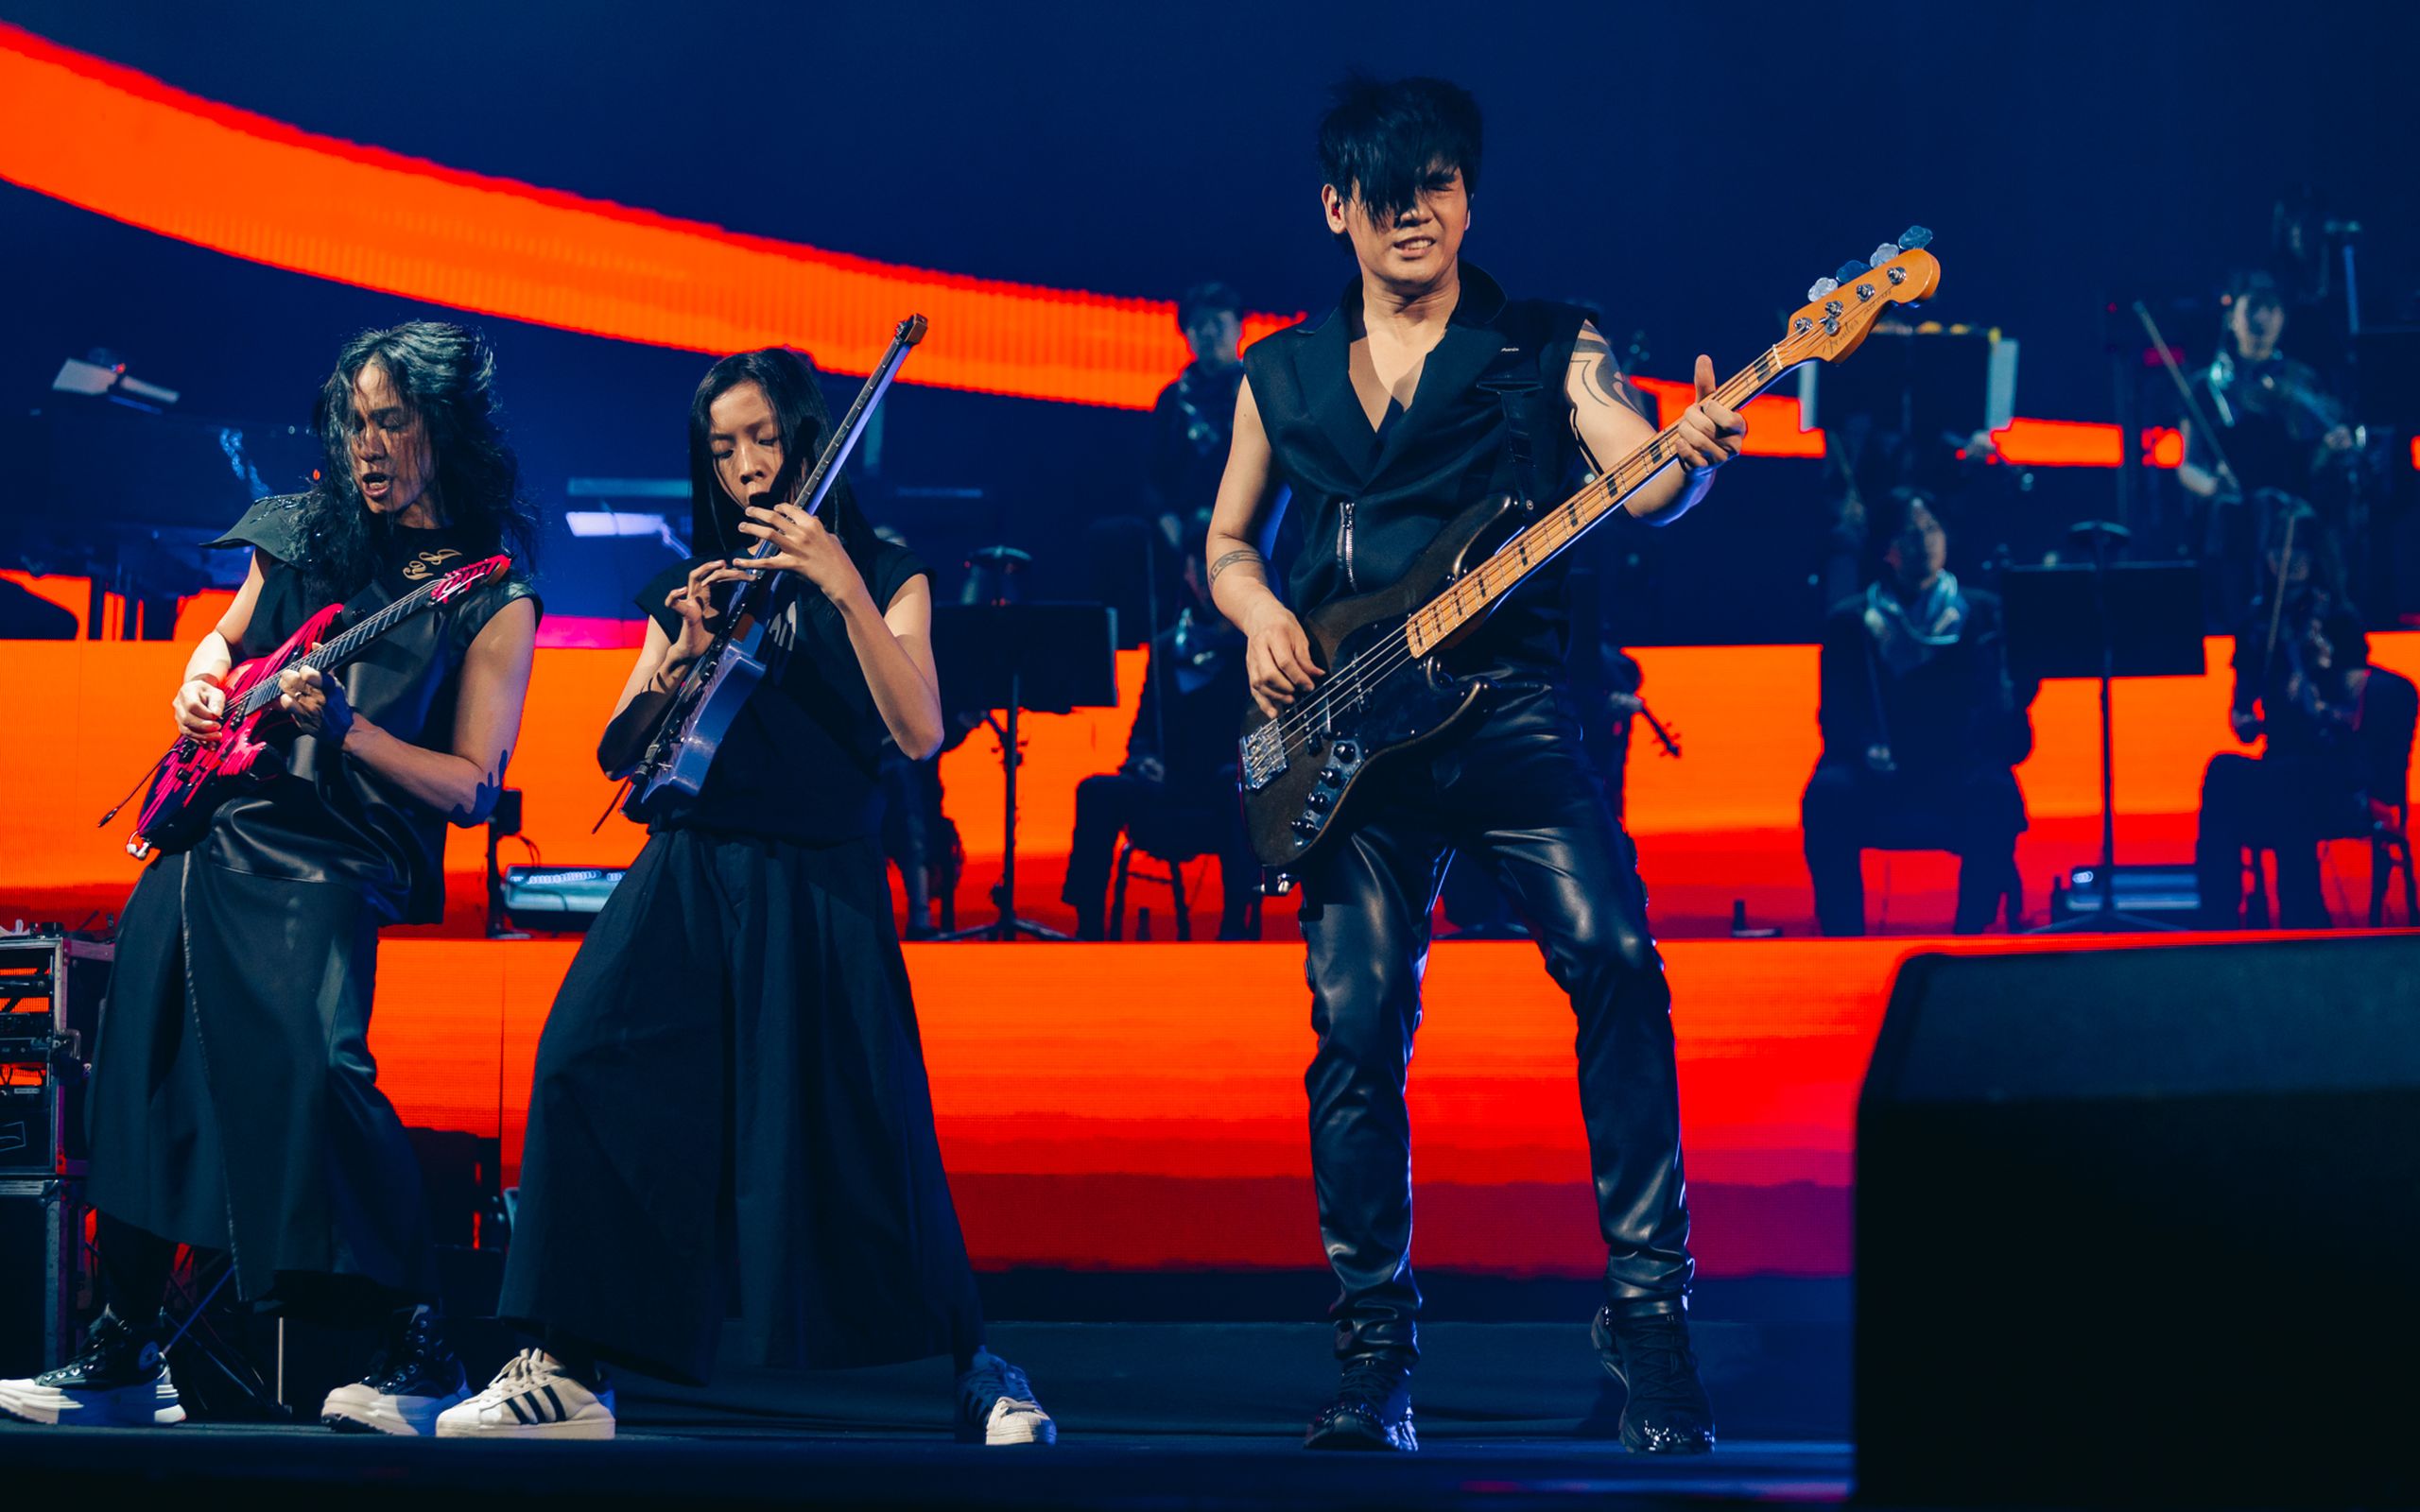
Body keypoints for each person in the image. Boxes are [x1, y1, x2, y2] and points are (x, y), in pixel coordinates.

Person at [1202, 75, 1742, 1455]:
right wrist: (1259, 614)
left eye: (1437, 185)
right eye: (1387, 194)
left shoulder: (1550, 343)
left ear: (1468, 194)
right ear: (1336, 209)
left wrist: (1683, 458)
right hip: (1349, 739)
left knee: (1618, 960)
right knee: (1356, 1023)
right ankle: (1373, 1349)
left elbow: (1643, 478)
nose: (1415, 215)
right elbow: (1229, 543)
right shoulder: (1281, 373)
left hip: (1506, 712)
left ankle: (1650, 1320)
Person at [446, 349, 1052, 1445]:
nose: (745, 466)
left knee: (868, 1126)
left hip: (819, 876)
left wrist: (841, 583)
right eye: (722, 448)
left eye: (763, 439)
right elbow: (618, 750)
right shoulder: (703, 583)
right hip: (689, 865)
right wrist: (677, 656)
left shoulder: (886, 570)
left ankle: (979, 1365)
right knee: (584, 1059)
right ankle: (567, 1365)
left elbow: (918, 729)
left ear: (808, 438)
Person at [0, 322, 541, 1432]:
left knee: (324, 1073)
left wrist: (349, 731)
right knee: (143, 1068)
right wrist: (199, 684)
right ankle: (123, 1346)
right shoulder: (300, 532)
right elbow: (223, 641)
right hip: (213, 834)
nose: (368, 444)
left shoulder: (489, 595)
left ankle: (418, 1343)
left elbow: (471, 786)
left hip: (333, 857)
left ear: (444, 428)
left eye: (392, 421)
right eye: (355, 421)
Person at [1801, 490, 2033, 936]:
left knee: (1996, 793)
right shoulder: (1852, 621)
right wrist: (1866, 747)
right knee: (1828, 794)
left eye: (1931, 529)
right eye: (1909, 533)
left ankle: (1972, 937)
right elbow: (1836, 714)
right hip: (1880, 774)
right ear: (1886, 548)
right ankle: (1843, 939)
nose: (1923, 542)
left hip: (1958, 768)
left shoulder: (1983, 613)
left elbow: (2007, 712)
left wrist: (2011, 702)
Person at [2194, 518, 2417, 929]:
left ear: (2315, 558)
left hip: (2335, 771)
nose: (2290, 560)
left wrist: (2317, 696)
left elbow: (2354, 716)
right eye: (2279, 550)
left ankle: (2304, 917)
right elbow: (2241, 716)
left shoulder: (2339, 621)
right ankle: (2218, 916)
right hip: (2279, 760)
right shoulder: (2257, 623)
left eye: (2300, 551)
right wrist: (2249, 720)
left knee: (2291, 780)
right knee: (2221, 772)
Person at [1060, 524, 1256, 939]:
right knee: (1095, 790)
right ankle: (1088, 924)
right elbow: (1143, 730)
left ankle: (1235, 924)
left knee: (1234, 789)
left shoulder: (1252, 645)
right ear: (1186, 574)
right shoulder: (1167, 647)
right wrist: (1143, 760)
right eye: (1197, 569)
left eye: (1213, 570)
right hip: (1167, 785)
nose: (1205, 582)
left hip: (1223, 790)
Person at [2177, 270, 2362, 621]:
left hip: (2292, 518)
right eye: (2253, 307)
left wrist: (2331, 447)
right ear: (2232, 317)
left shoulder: (2301, 379)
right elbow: (2187, 465)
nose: (2261, 317)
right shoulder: (2205, 386)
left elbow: (2317, 455)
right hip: (2234, 517)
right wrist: (2212, 486)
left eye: (2271, 308)